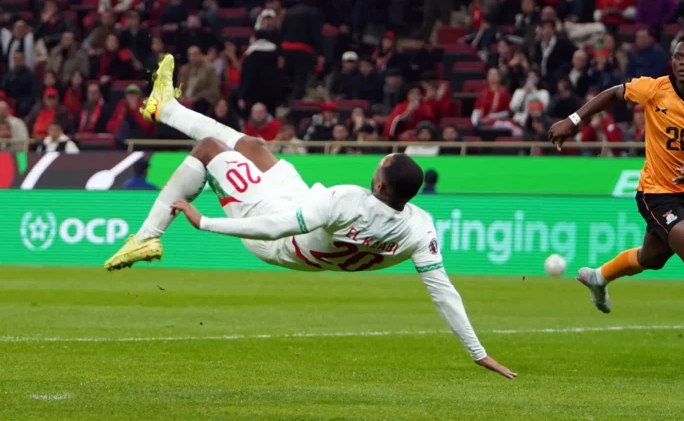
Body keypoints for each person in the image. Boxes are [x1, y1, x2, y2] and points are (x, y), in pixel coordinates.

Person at [103, 54, 515, 380]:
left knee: (209, 148)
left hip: (278, 236)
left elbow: (276, 227)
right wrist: (478, 353)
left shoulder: (347, 200)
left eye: (382, 163)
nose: (379, 162)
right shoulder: (419, 227)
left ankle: (147, 235)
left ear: (378, 184)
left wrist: (205, 222)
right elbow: (443, 292)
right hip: (302, 210)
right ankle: (166, 108)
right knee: (254, 145)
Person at [548, 33, 684, 373]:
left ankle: (599, 276)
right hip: (654, 191)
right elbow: (613, 94)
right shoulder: (654, 89)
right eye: (679, 57)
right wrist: (574, 121)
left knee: (651, 258)